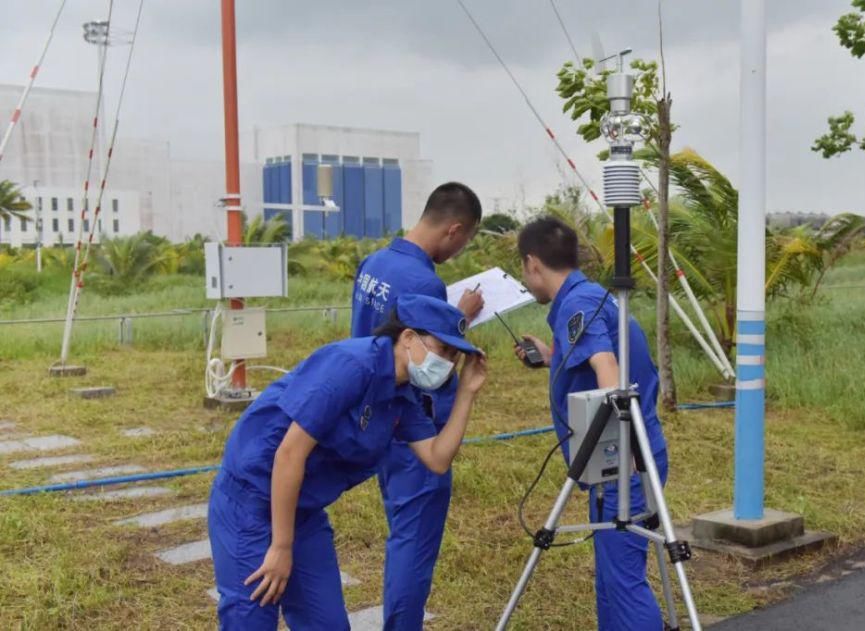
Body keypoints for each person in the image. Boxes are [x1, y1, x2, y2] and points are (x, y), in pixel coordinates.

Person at [208, 295, 487, 630]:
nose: (448, 363)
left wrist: (467, 393)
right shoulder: (351, 365)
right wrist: (281, 547)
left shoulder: (403, 393)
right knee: (250, 618)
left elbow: (437, 458)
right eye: (443, 351)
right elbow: (289, 454)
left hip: (303, 510)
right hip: (251, 501)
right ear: (409, 338)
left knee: (327, 624)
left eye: (455, 357)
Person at [513, 216, 669, 631]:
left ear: (532, 263)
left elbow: (607, 366)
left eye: (524, 271)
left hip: (624, 464)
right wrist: (553, 356)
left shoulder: (578, 304)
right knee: (613, 582)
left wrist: (623, 454)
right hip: (635, 454)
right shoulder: (591, 296)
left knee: (624, 585)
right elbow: (600, 352)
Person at [350, 182, 484, 628]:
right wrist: (459, 318)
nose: (458, 251)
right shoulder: (425, 280)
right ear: (454, 229)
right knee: (413, 541)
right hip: (415, 426)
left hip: (377, 416)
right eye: (463, 242)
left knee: (401, 531)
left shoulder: (374, 263)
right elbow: (431, 362)